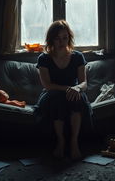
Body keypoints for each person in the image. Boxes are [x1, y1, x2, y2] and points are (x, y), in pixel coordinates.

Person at [34, 20, 93, 160]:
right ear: (51, 39)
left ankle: (74, 142)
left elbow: (84, 83)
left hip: (74, 92)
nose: (61, 41)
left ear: (69, 38)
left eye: (65, 38)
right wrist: (68, 88)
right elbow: (47, 85)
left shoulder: (78, 57)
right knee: (57, 99)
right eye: (57, 38)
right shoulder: (44, 58)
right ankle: (61, 142)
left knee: (76, 98)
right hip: (51, 93)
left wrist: (77, 88)